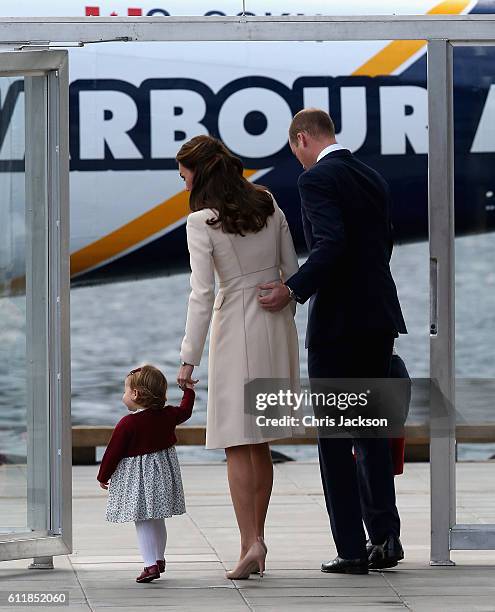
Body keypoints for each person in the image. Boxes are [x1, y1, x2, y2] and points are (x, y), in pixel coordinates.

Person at [259, 109, 407, 574]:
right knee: (372, 435)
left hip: (340, 325)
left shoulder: (316, 179)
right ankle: (385, 539)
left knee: (335, 439)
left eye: (295, 151)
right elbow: (382, 244)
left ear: (302, 138)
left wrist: (293, 288)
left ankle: (351, 549)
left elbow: (331, 244)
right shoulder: (371, 175)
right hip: (379, 317)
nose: (298, 161)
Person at [176, 135, 300, 580]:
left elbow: (202, 294)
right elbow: (291, 268)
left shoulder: (201, 222)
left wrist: (188, 357)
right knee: (259, 438)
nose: (182, 181)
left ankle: (251, 542)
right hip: (275, 322)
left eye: (183, 173)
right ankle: (256, 539)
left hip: (236, 326)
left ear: (200, 172)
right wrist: (282, 294)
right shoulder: (267, 202)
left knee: (235, 440)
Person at [97, 364, 195, 583]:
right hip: (162, 476)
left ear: (135, 394)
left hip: (138, 480)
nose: (123, 395)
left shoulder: (128, 423)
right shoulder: (168, 415)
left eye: (125, 390)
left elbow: (113, 453)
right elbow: (185, 411)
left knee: (142, 520)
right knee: (157, 518)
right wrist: (188, 391)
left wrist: (103, 475)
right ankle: (159, 559)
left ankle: (150, 565)